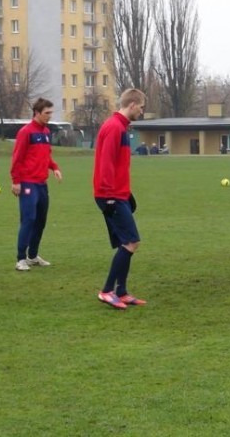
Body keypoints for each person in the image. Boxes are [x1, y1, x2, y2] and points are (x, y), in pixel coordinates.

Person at [93, 89, 148, 309]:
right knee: (131, 242)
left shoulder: (121, 128)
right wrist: (109, 196)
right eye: (141, 107)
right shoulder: (114, 127)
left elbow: (118, 166)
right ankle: (107, 291)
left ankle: (121, 292)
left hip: (118, 193)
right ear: (132, 104)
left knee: (128, 242)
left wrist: (127, 193)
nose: (141, 112)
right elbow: (106, 163)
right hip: (110, 195)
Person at [10, 98, 62, 271]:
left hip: (41, 184)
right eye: (47, 113)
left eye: (50, 112)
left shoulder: (46, 132)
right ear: (37, 113)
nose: (49, 116)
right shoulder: (26, 132)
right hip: (27, 183)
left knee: (40, 221)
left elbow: (46, 155)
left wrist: (54, 167)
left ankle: (32, 256)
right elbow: (17, 157)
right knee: (29, 219)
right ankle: (20, 259)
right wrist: (16, 181)